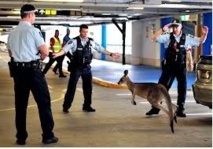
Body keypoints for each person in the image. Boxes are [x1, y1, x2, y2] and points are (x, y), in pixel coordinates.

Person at [7, 4, 58, 145]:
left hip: (18, 72)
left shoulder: (12, 32)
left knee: (20, 105)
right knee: (43, 102)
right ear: (29, 15)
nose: (35, 17)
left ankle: (21, 137)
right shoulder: (34, 31)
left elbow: (11, 53)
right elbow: (45, 52)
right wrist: (40, 57)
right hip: (33, 71)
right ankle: (47, 135)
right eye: (34, 14)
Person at [147, 18, 208, 117]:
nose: (175, 29)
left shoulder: (187, 37)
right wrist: (162, 30)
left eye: (177, 26)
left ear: (181, 27)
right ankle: (155, 108)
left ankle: (180, 109)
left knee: (182, 88)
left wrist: (205, 34)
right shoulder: (167, 36)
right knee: (161, 87)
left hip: (180, 67)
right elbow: (154, 38)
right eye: (173, 27)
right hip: (169, 66)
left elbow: (200, 41)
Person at [53, 24, 120, 113]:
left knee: (88, 88)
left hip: (86, 68)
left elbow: (101, 49)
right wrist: (57, 54)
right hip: (76, 68)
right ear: (80, 31)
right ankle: (66, 106)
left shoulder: (91, 42)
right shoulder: (74, 41)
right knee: (71, 88)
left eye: (86, 32)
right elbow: (64, 49)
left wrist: (111, 54)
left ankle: (87, 106)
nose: (85, 34)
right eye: (83, 32)